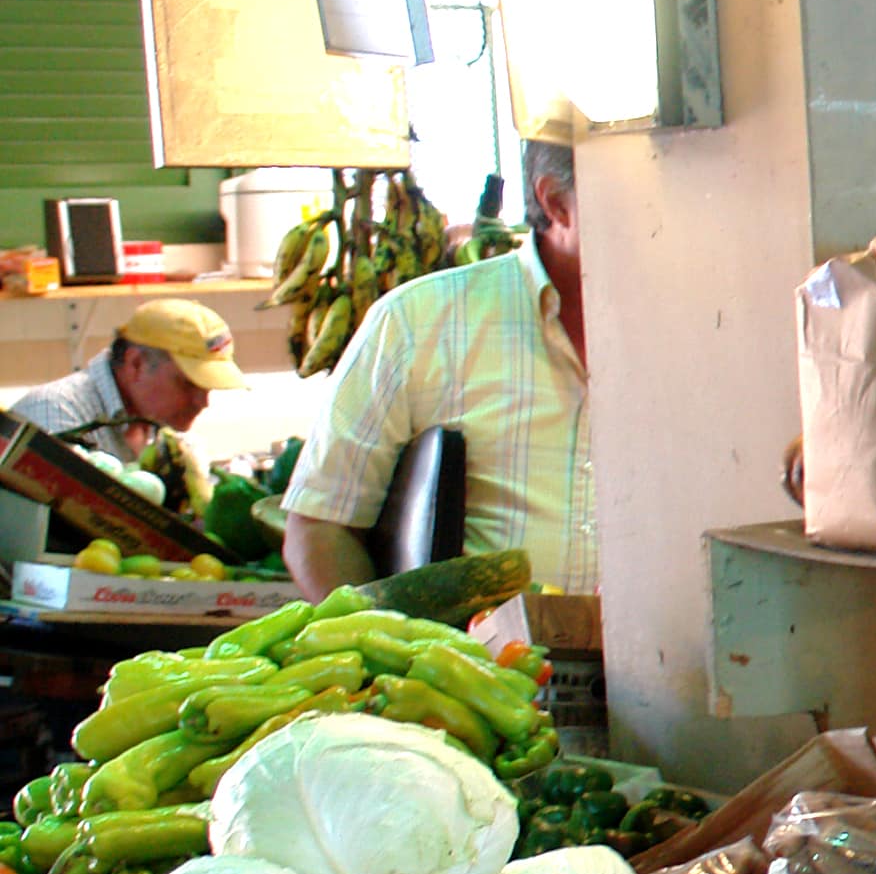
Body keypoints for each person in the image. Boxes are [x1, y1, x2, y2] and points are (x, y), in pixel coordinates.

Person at [285, 138, 592, 594]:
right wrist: (392, 646)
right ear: (556, 203)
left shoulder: (713, 327)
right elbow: (321, 526)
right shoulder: (418, 321)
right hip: (472, 660)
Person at [6, 300, 245, 457]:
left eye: (208, 387)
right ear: (136, 364)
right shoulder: (55, 414)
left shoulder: (156, 426)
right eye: (188, 384)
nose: (202, 402)